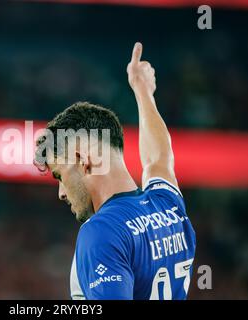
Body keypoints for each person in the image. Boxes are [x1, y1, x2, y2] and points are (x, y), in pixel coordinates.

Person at [34, 42, 196, 300]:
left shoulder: (102, 231)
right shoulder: (169, 206)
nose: (61, 193)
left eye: (60, 176)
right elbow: (159, 158)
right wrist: (144, 92)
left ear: (82, 160)